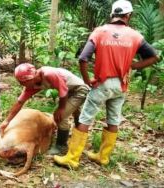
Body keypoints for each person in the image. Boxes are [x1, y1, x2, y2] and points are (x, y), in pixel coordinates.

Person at [53, 0, 158, 169]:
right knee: (113, 120)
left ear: (112, 14)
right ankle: (103, 157)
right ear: (128, 16)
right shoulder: (135, 36)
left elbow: (83, 58)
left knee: (86, 118)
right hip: (121, 85)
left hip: (102, 83)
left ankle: (72, 158)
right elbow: (154, 57)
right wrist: (132, 66)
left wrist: (87, 80)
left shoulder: (100, 32)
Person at [0, 63, 90, 155]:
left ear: (30, 79)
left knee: (60, 116)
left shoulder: (48, 74)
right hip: (69, 91)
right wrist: (7, 121)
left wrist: (61, 109)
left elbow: (64, 91)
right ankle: (79, 137)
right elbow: (20, 102)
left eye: (22, 82)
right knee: (75, 114)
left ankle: (61, 146)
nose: (21, 85)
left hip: (79, 90)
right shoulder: (33, 84)